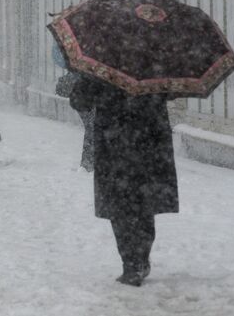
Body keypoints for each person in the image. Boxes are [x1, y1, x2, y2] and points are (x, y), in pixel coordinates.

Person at [69, 76, 178, 287]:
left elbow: (79, 100)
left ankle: (132, 262)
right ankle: (140, 258)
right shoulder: (152, 64)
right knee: (143, 203)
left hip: (115, 146)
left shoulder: (101, 67)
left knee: (119, 206)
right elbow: (169, 93)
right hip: (149, 144)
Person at [52, 43, 94, 171]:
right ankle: (89, 162)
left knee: (92, 125)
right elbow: (58, 56)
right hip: (83, 89)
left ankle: (89, 162)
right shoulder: (74, 34)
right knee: (92, 124)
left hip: (92, 88)